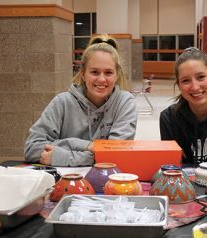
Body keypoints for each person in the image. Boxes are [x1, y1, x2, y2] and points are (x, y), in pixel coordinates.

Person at [24, 35, 137, 166]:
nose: (101, 79)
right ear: (83, 74)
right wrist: (88, 146)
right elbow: (32, 149)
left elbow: (115, 157)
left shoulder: (125, 103)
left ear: (116, 75)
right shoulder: (62, 102)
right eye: (95, 72)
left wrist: (63, 157)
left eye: (108, 73)